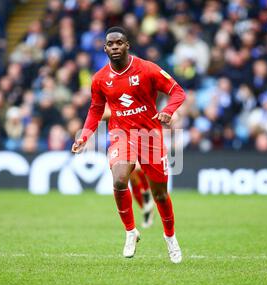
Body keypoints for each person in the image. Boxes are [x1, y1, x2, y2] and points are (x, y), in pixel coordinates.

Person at [71, 27, 186, 263]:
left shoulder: (147, 69)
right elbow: (95, 110)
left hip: (150, 137)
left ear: (127, 45)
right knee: (119, 179)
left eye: (119, 43)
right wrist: (84, 135)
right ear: (105, 48)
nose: (114, 47)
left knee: (160, 195)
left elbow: (177, 92)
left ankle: (170, 237)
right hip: (120, 134)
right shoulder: (100, 79)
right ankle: (130, 231)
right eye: (110, 44)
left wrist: (167, 111)